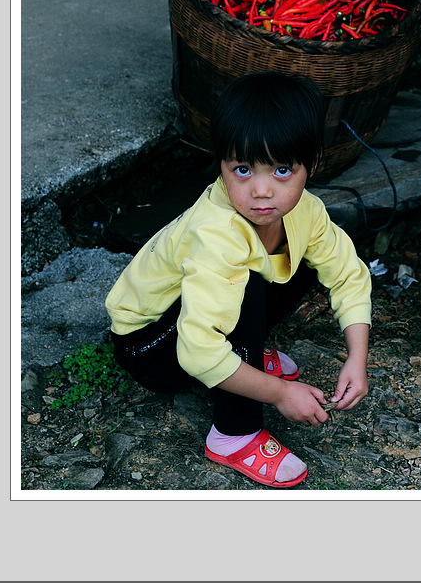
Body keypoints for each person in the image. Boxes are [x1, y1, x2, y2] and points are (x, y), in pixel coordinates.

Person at [105, 71, 371, 488]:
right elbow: (198, 350)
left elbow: (348, 275)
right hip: (150, 345)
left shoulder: (306, 211)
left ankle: (243, 361)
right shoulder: (217, 235)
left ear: (312, 164)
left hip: (196, 326)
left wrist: (357, 357)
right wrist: (280, 394)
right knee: (244, 281)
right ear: (222, 164)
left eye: (282, 169)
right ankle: (234, 434)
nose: (261, 191)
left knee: (300, 260)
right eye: (243, 169)